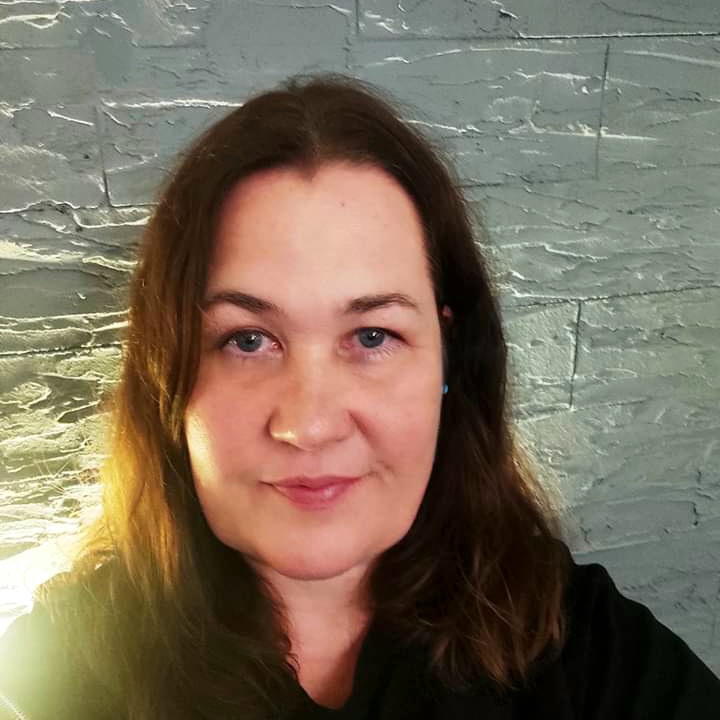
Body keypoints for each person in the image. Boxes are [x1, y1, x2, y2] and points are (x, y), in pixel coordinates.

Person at [0, 72, 718, 720]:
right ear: (167, 376)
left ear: (447, 357)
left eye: (372, 336)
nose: (310, 424)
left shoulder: (580, 646)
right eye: (247, 340)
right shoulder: (55, 676)